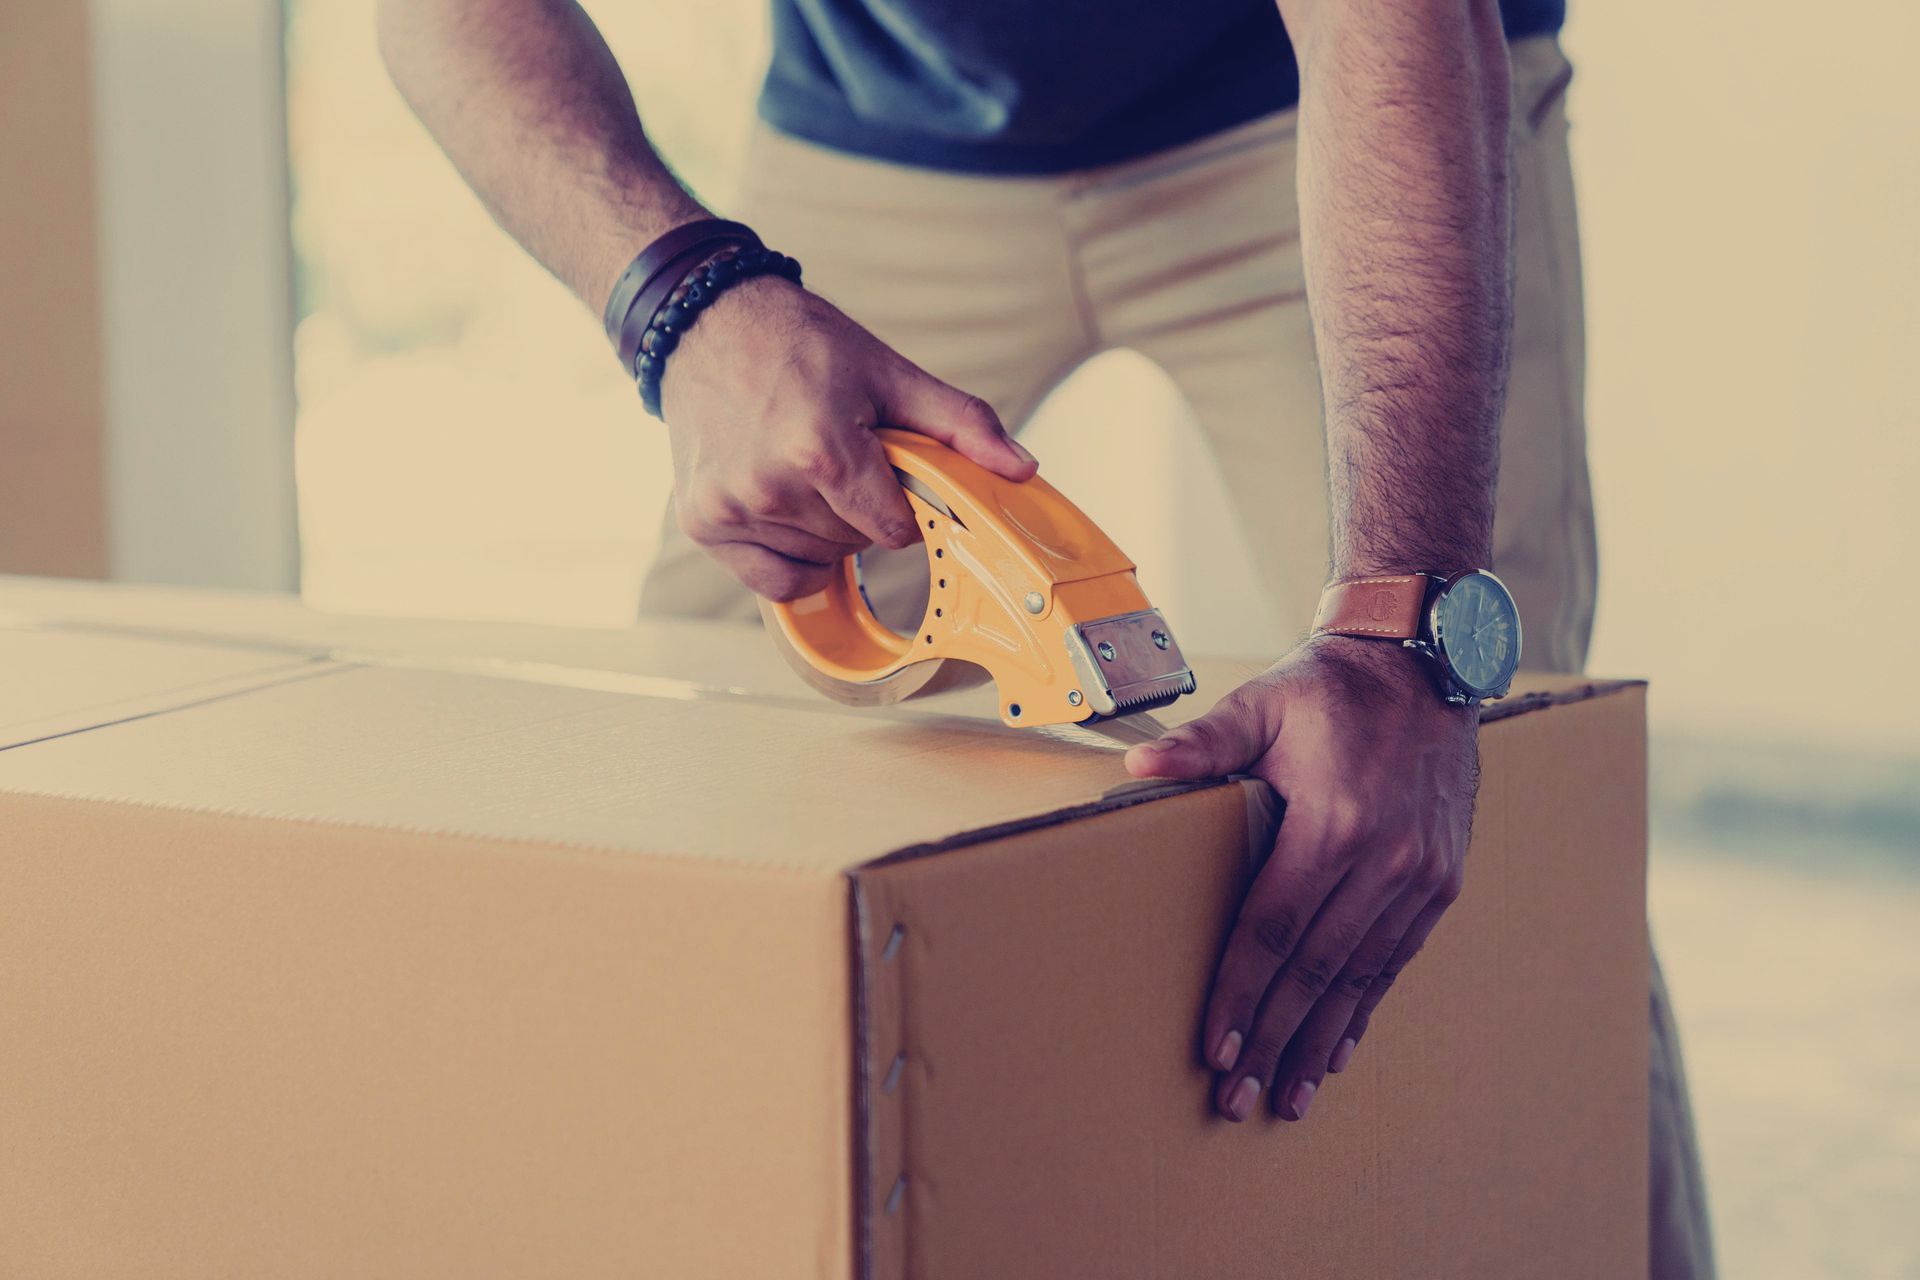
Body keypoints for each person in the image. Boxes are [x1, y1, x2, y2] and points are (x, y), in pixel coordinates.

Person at [378, 1, 1712, 1272]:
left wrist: (1403, 633)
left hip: (1319, 99)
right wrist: (690, 304)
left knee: (1503, 803)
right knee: (722, 754)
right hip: (883, 129)